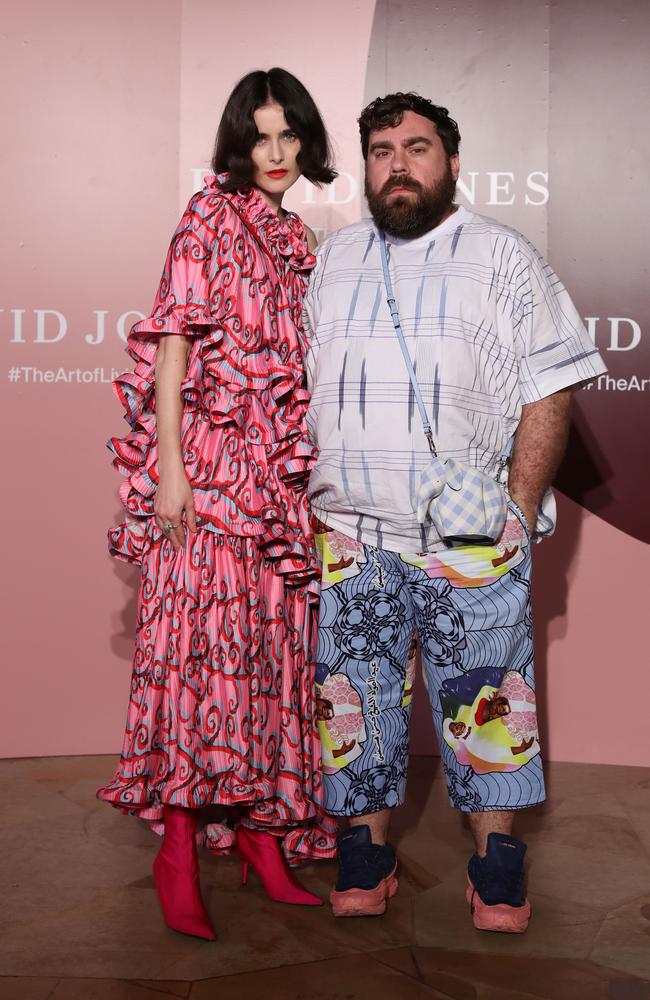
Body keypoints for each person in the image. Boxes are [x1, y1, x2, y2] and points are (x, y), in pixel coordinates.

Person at [302, 91, 606, 932]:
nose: (398, 164)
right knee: (353, 697)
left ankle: (496, 861)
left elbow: (553, 385)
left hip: (470, 537)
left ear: (452, 162)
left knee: (489, 702)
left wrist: (515, 508)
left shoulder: (502, 255)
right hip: (353, 533)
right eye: (381, 150)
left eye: (418, 147)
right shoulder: (331, 260)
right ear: (366, 166)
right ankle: (365, 852)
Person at [97, 68, 338, 941]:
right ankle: (182, 846)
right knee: (199, 658)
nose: (275, 154)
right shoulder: (208, 215)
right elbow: (172, 344)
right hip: (205, 470)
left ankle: (266, 837)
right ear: (237, 143)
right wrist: (169, 467)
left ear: (306, 141)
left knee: (273, 656)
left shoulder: (298, 236)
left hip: (276, 480)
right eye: (260, 136)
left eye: (289, 135)